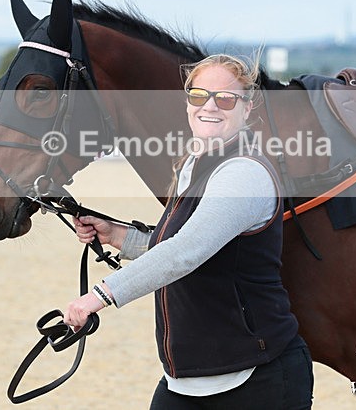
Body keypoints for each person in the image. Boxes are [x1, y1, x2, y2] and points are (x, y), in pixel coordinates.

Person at [63, 54, 314, 409]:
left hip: (258, 379)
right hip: (184, 383)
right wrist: (116, 235)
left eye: (225, 98)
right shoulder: (195, 164)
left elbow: (186, 252)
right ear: (187, 103)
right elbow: (188, 246)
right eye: (199, 96)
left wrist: (99, 297)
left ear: (247, 108)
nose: (209, 106)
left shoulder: (243, 173)